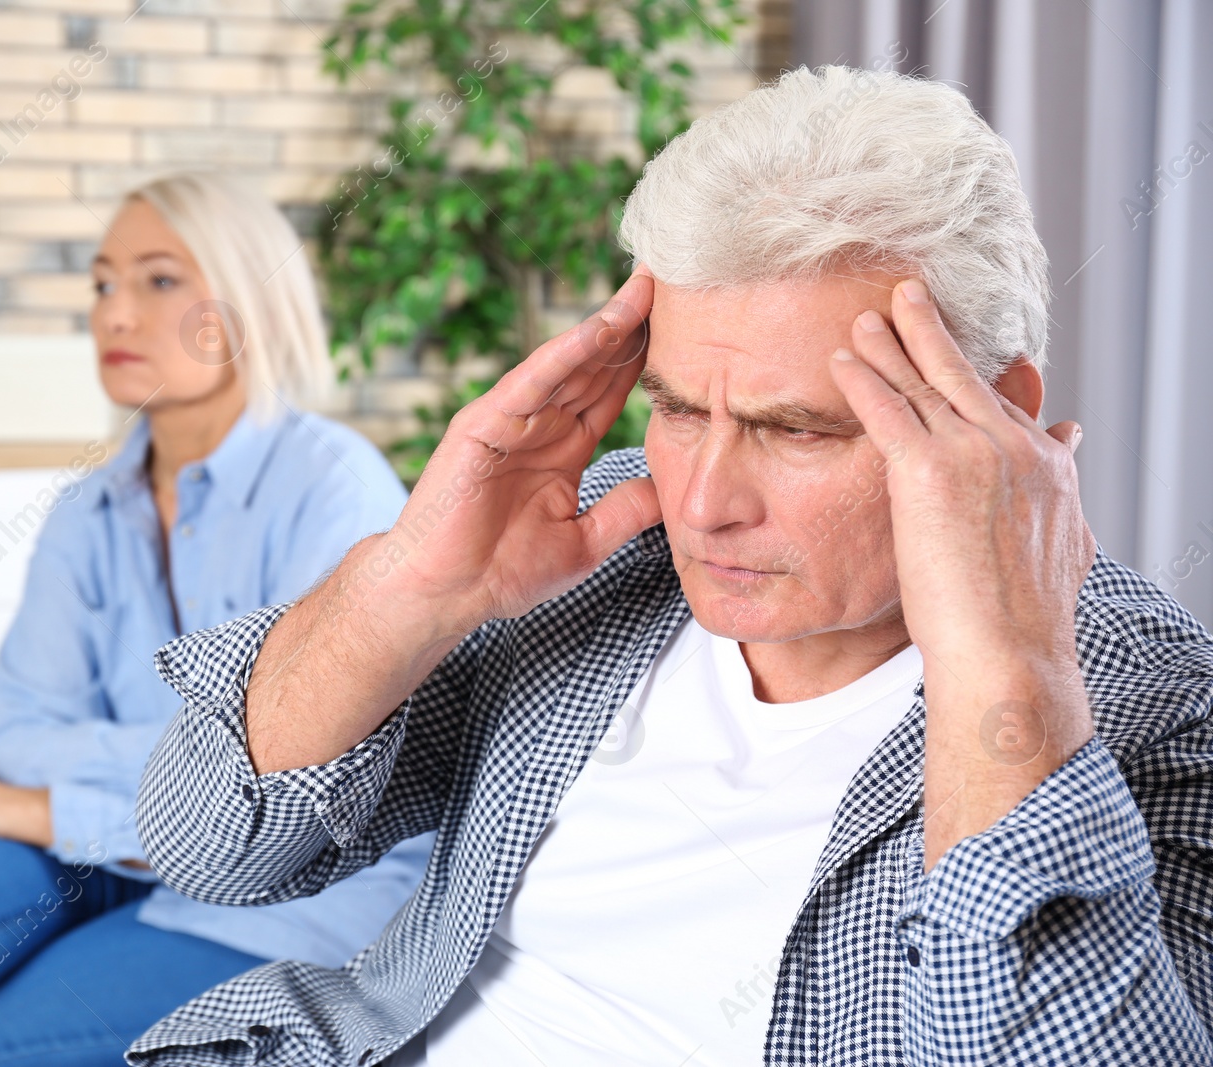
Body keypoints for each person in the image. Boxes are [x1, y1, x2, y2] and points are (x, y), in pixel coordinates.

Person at [126, 67, 1213, 1066]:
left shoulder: (1151, 699)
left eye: (798, 430)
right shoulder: (609, 540)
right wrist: (412, 581)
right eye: (681, 410)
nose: (701, 504)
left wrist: (1000, 658)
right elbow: (205, 843)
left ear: (999, 414)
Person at [0, 172, 434, 1067]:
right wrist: (168, 775)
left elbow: (293, 804)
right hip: (101, 858)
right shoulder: (89, 510)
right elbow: (20, 730)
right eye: (102, 283)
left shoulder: (334, 493)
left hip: (288, 901)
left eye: (159, 280)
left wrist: (70, 802)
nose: (115, 315)